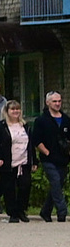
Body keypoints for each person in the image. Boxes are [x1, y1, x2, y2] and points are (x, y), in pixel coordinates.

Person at [33, 91, 70, 224]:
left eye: (59, 101)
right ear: (48, 103)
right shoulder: (41, 120)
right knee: (55, 181)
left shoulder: (66, 120)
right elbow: (36, 140)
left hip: (63, 158)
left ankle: (46, 211)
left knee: (58, 184)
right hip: (48, 159)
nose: (57, 104)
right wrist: (46, 152)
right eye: (54, 101)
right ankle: (62, 211)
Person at [1, 99, 33, 223]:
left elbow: (31, 144)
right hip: (8, 162)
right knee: (9, 188)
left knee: (25, 186)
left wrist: (33, 161)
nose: (16, 111)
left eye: (17, 109)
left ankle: (21, 210)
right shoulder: (2, 126)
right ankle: (12, 213)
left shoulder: (25, 126)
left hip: (24, 162)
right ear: (7, 111)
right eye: (13, 109)